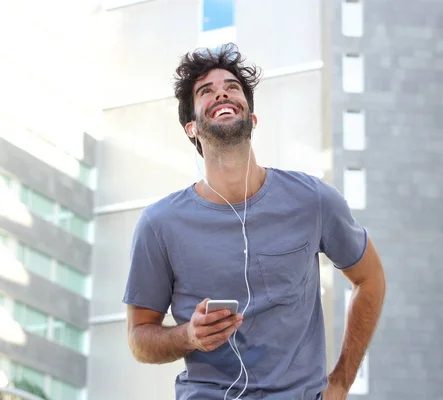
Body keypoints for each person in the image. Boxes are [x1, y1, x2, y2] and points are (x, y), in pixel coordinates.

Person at [122, 43, 386, 400]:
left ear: (252, 118)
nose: (222, 93)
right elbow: (139, 337)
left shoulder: (314, 200)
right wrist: (188, 336)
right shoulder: (159, 224)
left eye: (232, 87)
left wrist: (340, 381)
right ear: (191, 128)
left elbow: (370, 278)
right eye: (206, 91)